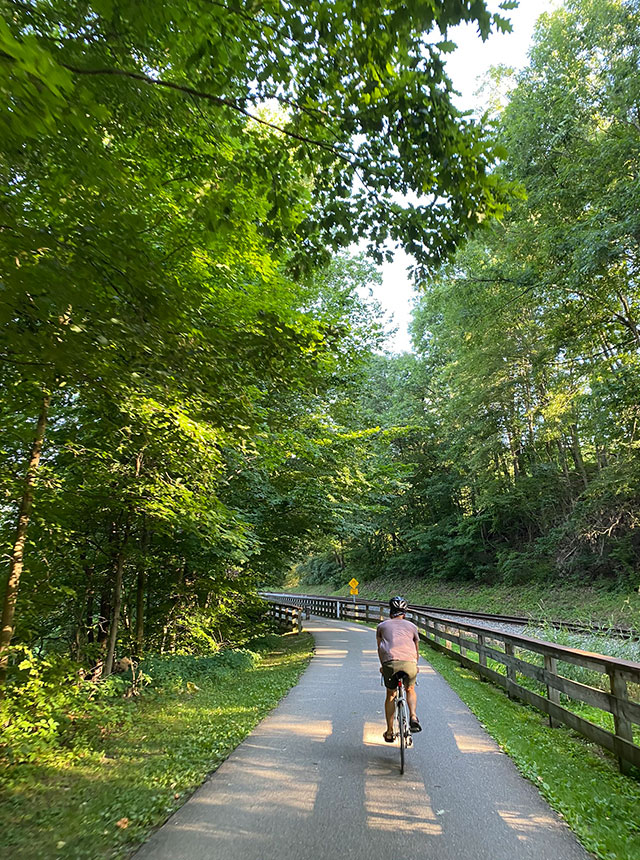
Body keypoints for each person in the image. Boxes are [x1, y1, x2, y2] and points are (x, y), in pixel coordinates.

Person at [376, 595, 422, 742]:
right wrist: (415, 665)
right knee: (410, 689)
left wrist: (384, 666)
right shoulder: (413, 627)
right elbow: (416, 649)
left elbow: (381, 649)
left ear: (391, 611)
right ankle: (413, 716)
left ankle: (389, 731)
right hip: (410, 664)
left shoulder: (382, 627)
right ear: (405, 613)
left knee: (391, 694)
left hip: (390, 663)